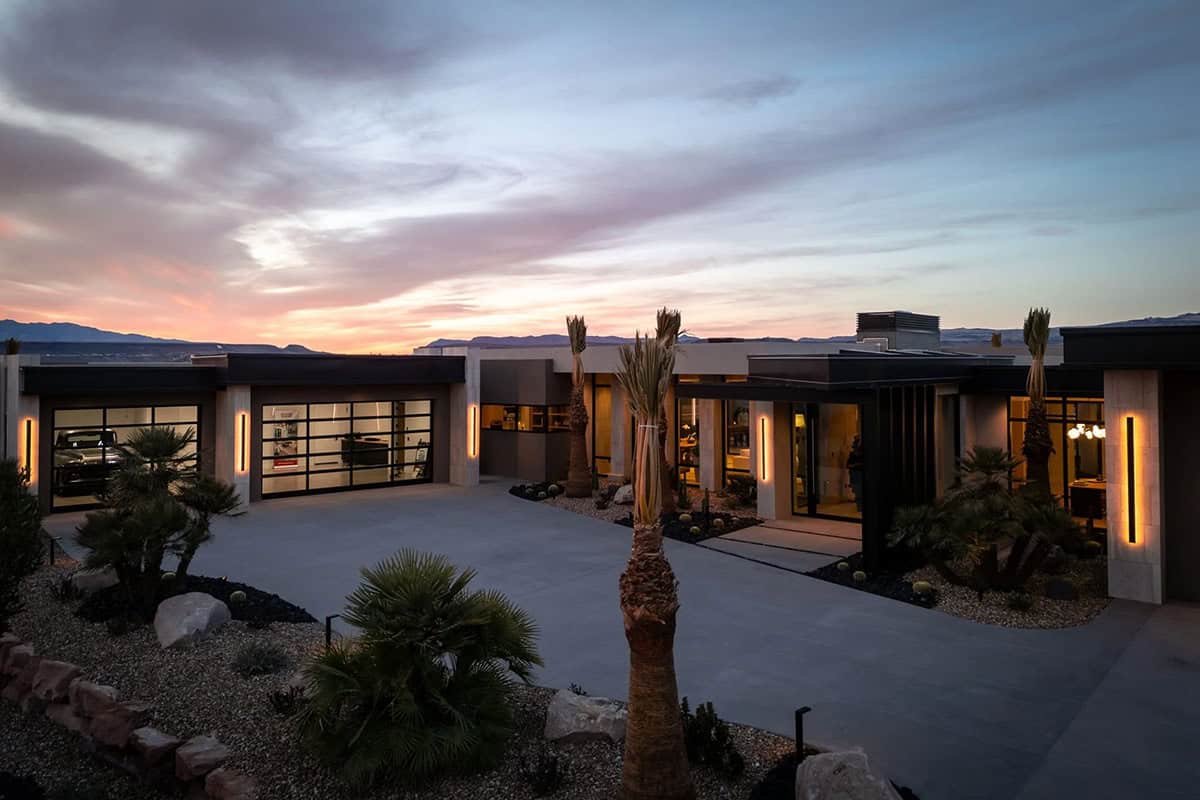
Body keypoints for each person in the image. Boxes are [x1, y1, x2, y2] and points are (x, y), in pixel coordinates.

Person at [846, 434, 864, 513]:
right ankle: (859, 508)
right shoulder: (852, 454)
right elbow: (848, 465)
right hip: (855, 475)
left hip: (859, 475)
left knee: (860, 492)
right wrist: (855, 465)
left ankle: (860, 507)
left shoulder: (862, 454)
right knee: (858, 492)